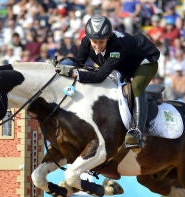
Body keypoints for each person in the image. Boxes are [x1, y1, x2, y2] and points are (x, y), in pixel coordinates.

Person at [65, 16, 160, 148]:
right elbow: (78, 62)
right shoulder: (86, 41)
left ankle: (136, 131)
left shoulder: (116, 47)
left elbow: (99, 76)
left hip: (145, 62)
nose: (97, 46)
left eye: (101, 42)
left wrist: (75, 73)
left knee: (136, 86)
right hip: (123, 64)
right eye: (94, 42)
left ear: (108, 38)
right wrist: (62, 65)